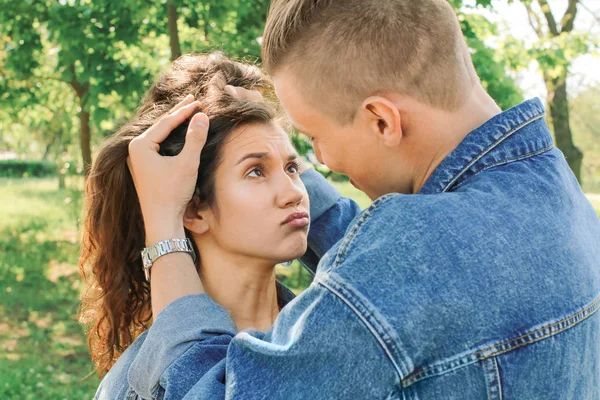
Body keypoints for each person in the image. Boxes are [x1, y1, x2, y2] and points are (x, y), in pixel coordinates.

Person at [119, 0, 600, 399]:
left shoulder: (404, 260)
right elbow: (404, 265)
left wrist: (162, 224)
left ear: (383, 121)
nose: (318, 164)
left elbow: (396, 270)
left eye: (312, 139)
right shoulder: (554, 192)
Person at [82, 53, 359, 399]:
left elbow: (379, 268)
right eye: (256, 171)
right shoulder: (131, 389)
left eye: (293, 168)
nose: (294, 193)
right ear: (194, 209)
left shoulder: (344, 330)